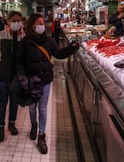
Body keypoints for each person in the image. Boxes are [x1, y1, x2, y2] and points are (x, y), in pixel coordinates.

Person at [16, 13, 79, 154]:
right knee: (32, 107)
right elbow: (19, 62)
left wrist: (72, 47)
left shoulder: (49, 41)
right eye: (38, 23)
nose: (41, 25)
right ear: (32, 25)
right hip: (30, 81)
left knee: (42, 108)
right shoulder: (25, 42)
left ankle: (41, 135)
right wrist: (22, 77)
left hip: (45, 80)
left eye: (42, 23)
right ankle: (33, 125)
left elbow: (59, 53)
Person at [0, 11, 25, 142]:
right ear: (8, 22)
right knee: (1, 103)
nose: (16, 23)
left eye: (18, 20)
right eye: (13, 20)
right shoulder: (1, 35)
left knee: (14, 103)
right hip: (2, 76)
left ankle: (12, 124)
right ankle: (0, 128)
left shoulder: (23, 37)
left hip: (17, 78)